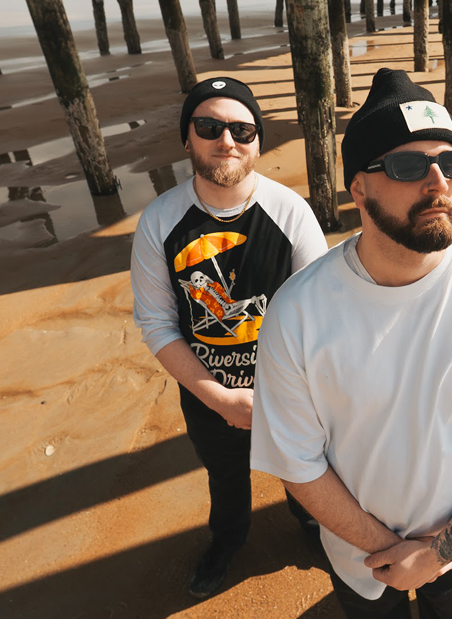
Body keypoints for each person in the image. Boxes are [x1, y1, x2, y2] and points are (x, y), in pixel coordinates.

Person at [249, 68, 452, 619]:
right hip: (357, 555)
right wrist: (389, 552)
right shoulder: (298, 312)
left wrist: (437, 552)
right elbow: (298, 462)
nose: (438, 181)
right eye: (409, 166)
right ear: (360, 188)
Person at [130, 76, 328, 598]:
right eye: (209, 126)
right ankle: (228, 539)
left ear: (258, 141)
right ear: (187, 138)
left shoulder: (291, 213)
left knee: (303, 469)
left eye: (243, 129)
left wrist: (286, 393)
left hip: (290, 392)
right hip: (207, 392)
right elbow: (156, 322)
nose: (227, 140)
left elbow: (325, 315)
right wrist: (219, 397)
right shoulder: (159, 221)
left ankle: (310, 524)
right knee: (226, 479)